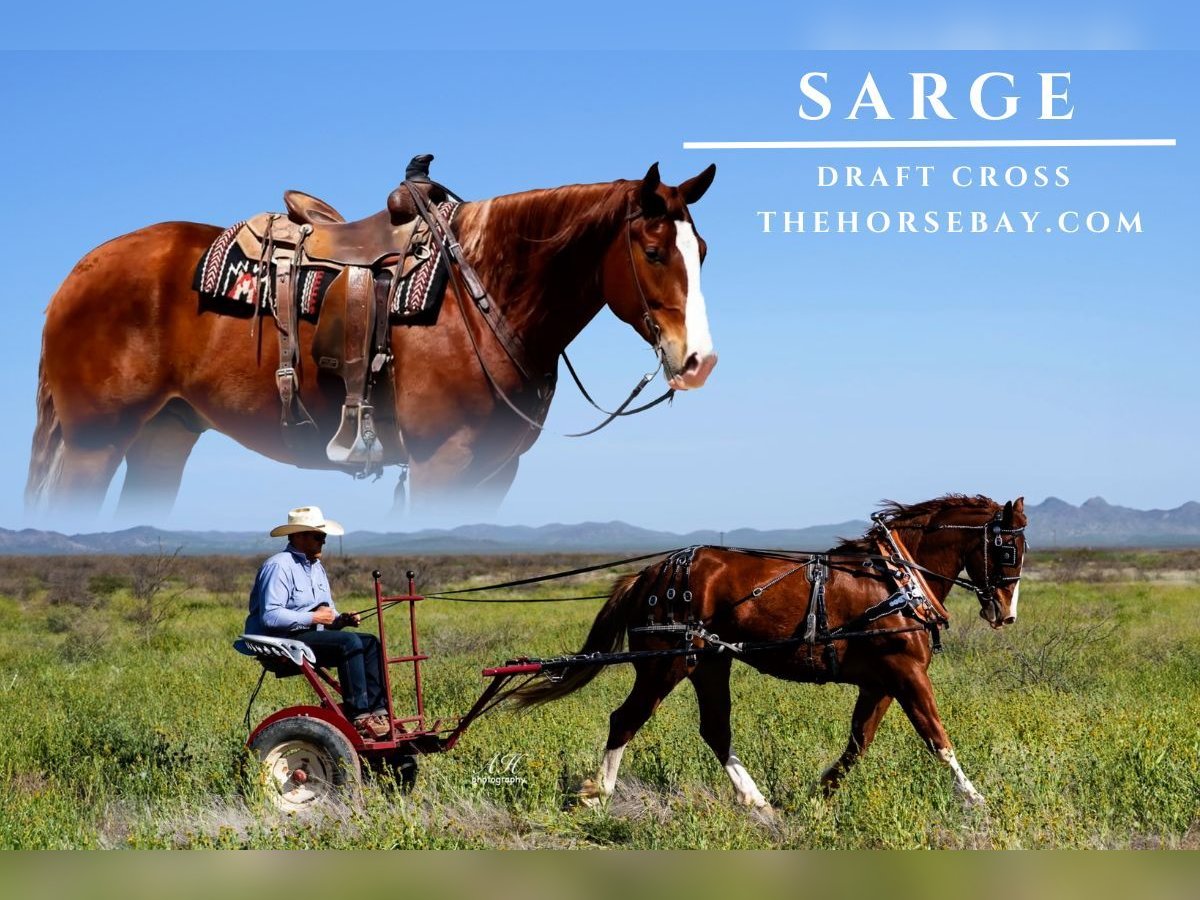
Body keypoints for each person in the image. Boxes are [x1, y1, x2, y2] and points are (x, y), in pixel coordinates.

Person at [245, 506, 390, 739]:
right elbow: (270, 617)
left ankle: (378, 712)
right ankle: (360, 716)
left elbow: (327, 616)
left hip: (310, 637)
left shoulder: (317, 568)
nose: (323, 541)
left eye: (323, 536)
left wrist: (340, 620)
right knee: (349, 644)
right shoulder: (279, 565)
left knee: (371, 642)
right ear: (299, 536)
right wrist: (314, 617)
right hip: (286, 639)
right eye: (318, 536)